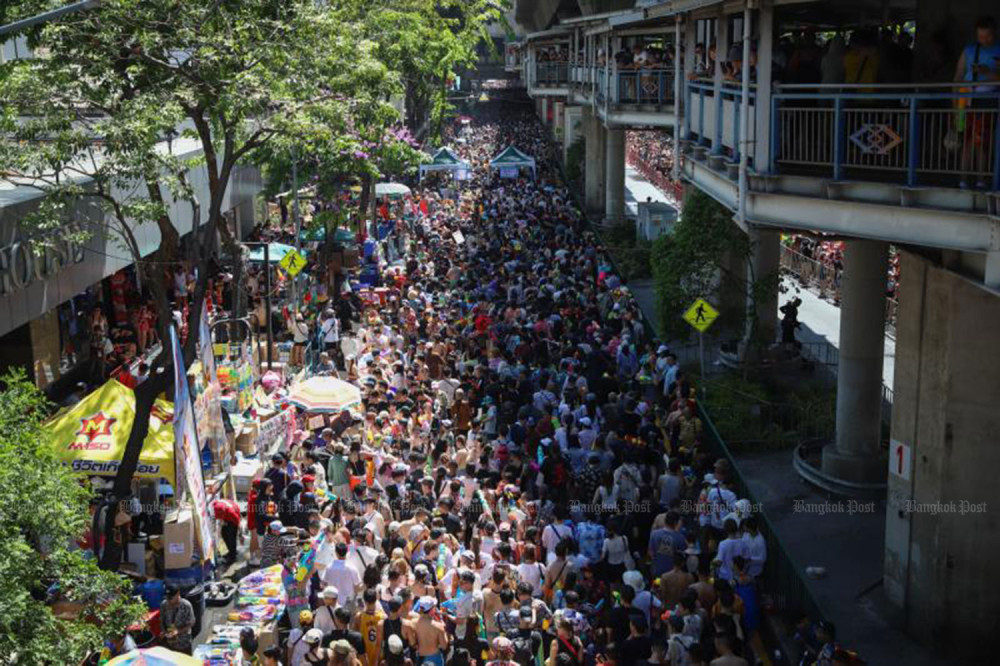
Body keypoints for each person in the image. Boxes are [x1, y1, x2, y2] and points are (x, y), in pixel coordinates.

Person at [953, 16, 1000, 189]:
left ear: (994, 33)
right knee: (965, 140)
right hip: (966, 100)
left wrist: (987, 73)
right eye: (980, 36)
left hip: (987, 100)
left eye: (987, 36)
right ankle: (963, 179)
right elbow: (958, 76)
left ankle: (981, 178)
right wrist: (954, 101)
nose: (983, 40)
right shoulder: (969, 50)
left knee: (982, 142)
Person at [160, 584, 195, 655]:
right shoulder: (164, 605)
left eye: (171, 598)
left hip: (183, 644)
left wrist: (178, 631)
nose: (168, 600)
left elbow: (191, 623)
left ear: (178, 594)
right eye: (167, 597)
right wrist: (163, 631)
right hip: (170, 644)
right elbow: (161, 619)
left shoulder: (186, 605)